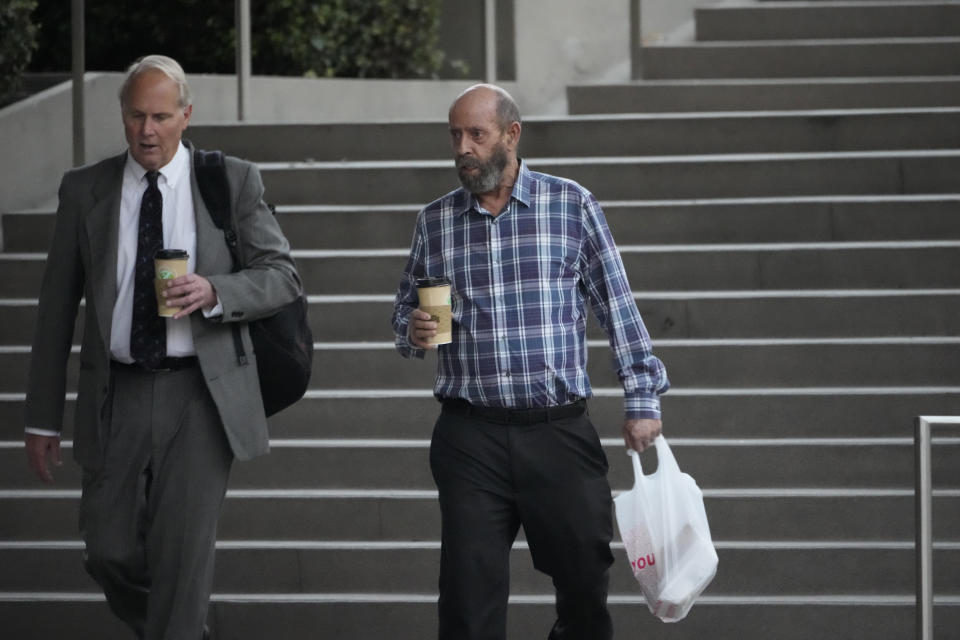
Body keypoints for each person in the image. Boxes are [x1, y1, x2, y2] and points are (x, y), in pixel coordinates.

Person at [23, 55, 301, 640]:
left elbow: (282, 276)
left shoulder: (229, 181)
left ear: (185, 116)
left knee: (182, 557)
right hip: (116, 392)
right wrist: (42, 419)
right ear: (122, 117)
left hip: (201, 394)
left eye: (160, 116)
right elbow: (54, 313)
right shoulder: (85, 190)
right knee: (107, 549)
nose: (147, 131)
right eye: (135, 117)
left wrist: (216, 289)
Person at [391, 83, 670, 639]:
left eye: (477, 134)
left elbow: (617, 305)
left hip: (557, 432)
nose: (463, 148)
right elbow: (406, 315)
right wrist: (414, 329)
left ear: (512, 135)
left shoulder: (571, 204)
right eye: (455, 136)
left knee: (586, 591)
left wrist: (642, 399)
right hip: (471, 437)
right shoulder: (436, 221)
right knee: (467, 607)